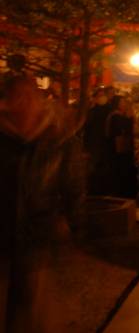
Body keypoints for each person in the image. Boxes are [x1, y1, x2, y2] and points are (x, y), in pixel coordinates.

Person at [0, 57, 84, 332]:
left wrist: (70, 219)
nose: (24, 103)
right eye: (17, 97)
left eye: (29, 96)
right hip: (3, 229)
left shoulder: (56, 138)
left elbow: (72, 183)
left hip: (38, 230)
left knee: (35, 304)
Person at [105, 95, 137, 198]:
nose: (124, 104)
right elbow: (122, 130)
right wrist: (129, 118)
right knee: (121, 169)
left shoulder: (116, 115)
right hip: (118, 148)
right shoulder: (116, 116)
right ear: (117, 104)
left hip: (119, 148)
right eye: (122, 102)